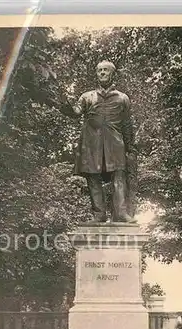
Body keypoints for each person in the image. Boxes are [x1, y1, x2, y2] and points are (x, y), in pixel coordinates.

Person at [66, 60, 137, 223]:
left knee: (119, 175)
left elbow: (127, 124)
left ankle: (120, 213)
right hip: (92, 142)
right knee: (93, 176)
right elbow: (75, 112)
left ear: (113, 74)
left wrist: (130, 147)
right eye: (99, 71)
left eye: (106, 70)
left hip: (115, 141)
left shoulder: (122, 98)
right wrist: (66, 103)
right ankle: (99, 214)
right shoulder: (87, 96)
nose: (102, 73)